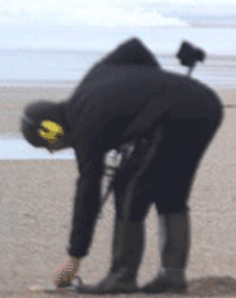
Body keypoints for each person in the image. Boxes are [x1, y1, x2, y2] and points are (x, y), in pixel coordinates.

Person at [20, 37, 223, 294]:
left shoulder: (84, 127)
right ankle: (172, 276)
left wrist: (75, 257)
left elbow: (89, 193)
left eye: (47, 145)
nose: (52, 151)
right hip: (206, 104)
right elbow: (133, 47)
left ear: (50, 131)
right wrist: (153, 92)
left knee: (127, 187)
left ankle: (122, 276)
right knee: (172, 191)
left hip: (175, 116)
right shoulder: (93, 79)